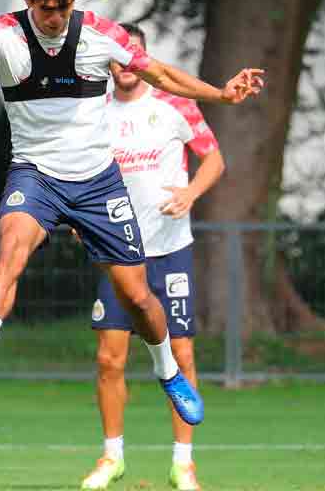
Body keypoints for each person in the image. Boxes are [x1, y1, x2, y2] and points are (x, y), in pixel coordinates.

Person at [0, 0, 262, 429]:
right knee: (11, 251)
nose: (58, 16)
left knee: (138, 297)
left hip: (99, 182)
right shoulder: (0, 36)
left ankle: (168, 373)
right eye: (47, 8)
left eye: (65, 5)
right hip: (35, 174)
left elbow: (160, 73)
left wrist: (222, 94)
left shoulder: (101, 34)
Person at [80, 24, 223, 491]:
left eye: (133, 55)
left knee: (181, 353)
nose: (124, 65)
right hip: (118, 253)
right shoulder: (93, 115)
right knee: (109, 359)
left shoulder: (175, 104)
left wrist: (191, 193)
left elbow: (214, 159)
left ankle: (184, 463)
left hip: (170, 250)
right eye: (117, 57)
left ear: (144, 58)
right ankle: (111, 457)